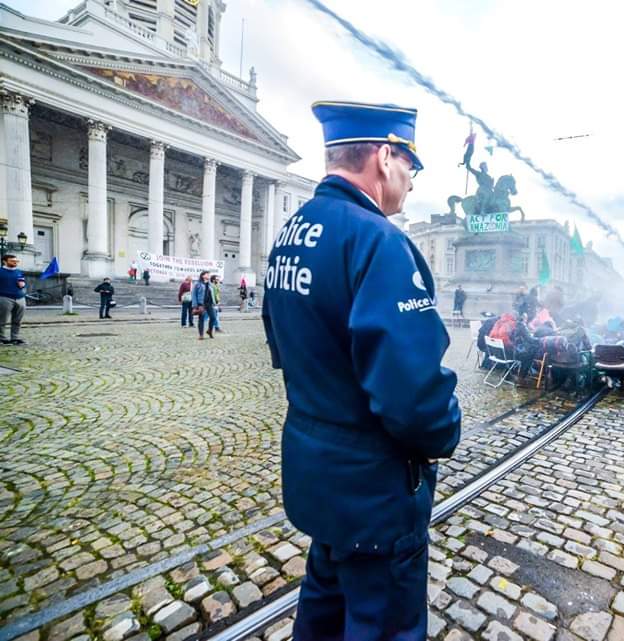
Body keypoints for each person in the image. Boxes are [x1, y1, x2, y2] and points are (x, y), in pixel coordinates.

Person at [262, 101, 460, 641]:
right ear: (384, 156)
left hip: (316, 472)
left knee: (322, 615)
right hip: (374, 493)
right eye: (411, 166)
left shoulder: (292, 231)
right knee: (384, 626)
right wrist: (446, 429)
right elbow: (414, 396)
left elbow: (282, 345)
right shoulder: (379, 240)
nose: (412, 182)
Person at [0, 254, 27, 345]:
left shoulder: (18, 271)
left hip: (20, 298)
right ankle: (1, 338)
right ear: (4, 261)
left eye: (16, 261)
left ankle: (15, 338)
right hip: (4, 298)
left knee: (17, 320)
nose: (15, 262)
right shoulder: (0, 271)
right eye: (12, 261)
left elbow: (22, 282)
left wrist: (23, 286)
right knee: (2, 320)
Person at [192, 271, 216, 340]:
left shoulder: (210, 284)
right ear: (203, 275)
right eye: (207, 274)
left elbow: (212, 294)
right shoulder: (197, 284)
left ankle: (209, 331)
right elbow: (194, 295)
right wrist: (195, 305)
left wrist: (214, 302)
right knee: (201, 319)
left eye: (209, 274)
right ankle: (201, 335)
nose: (208, 275)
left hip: (209, 303)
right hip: (201, 304)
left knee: (213, 317)